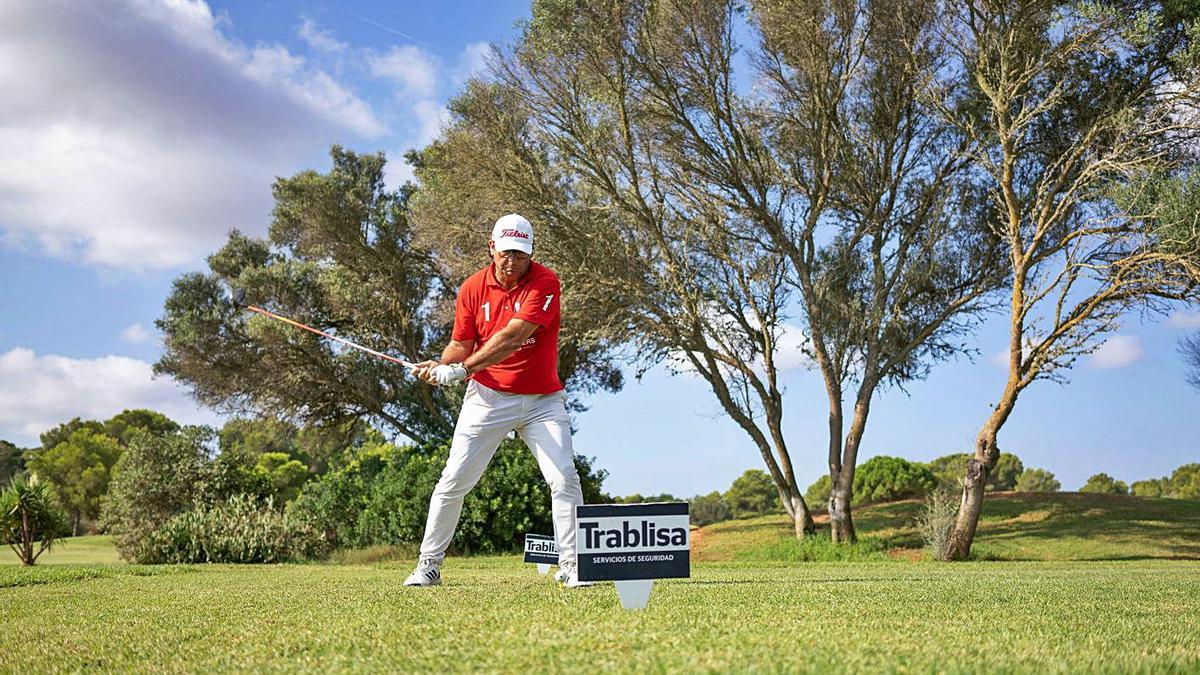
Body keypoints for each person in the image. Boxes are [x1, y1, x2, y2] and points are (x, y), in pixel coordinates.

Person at [404, 213, 591, 588]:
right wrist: (441, 365)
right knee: (453, 481)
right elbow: (462, 344)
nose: (511, 262)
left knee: (564, 478)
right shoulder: (472, 288)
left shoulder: (546, 282)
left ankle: (573, 566)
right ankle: (428, 565)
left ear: (531, 253)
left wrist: (461, 370)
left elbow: (512, 335)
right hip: (488, 399)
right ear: (491, 248)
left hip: (542, 401)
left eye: (520, 255)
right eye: (505, 253)